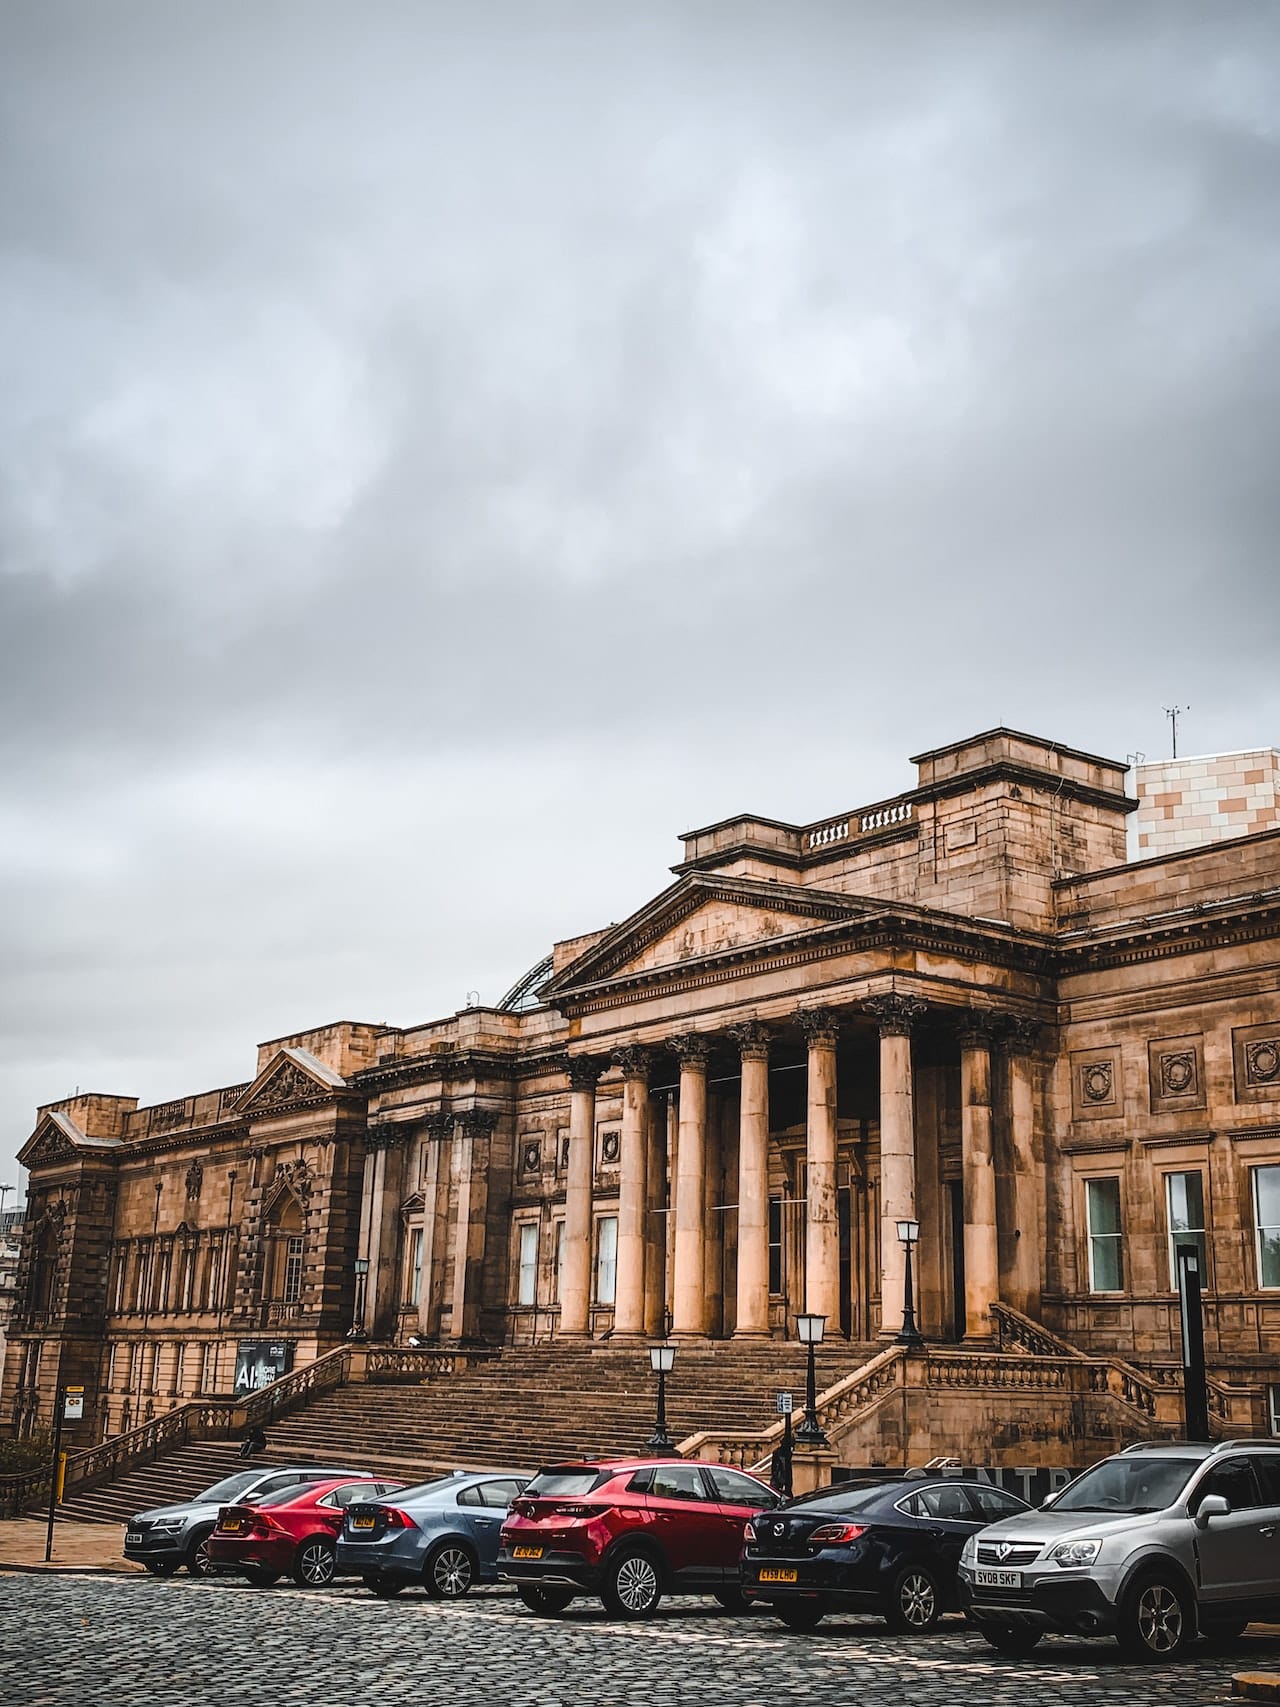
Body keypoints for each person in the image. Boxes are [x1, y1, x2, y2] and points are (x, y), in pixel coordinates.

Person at [770, 1413, 794, 1498]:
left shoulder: (784, 1453)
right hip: (780, 1480)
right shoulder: (779, 1453)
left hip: (784, 1481)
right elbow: (775, 1469)